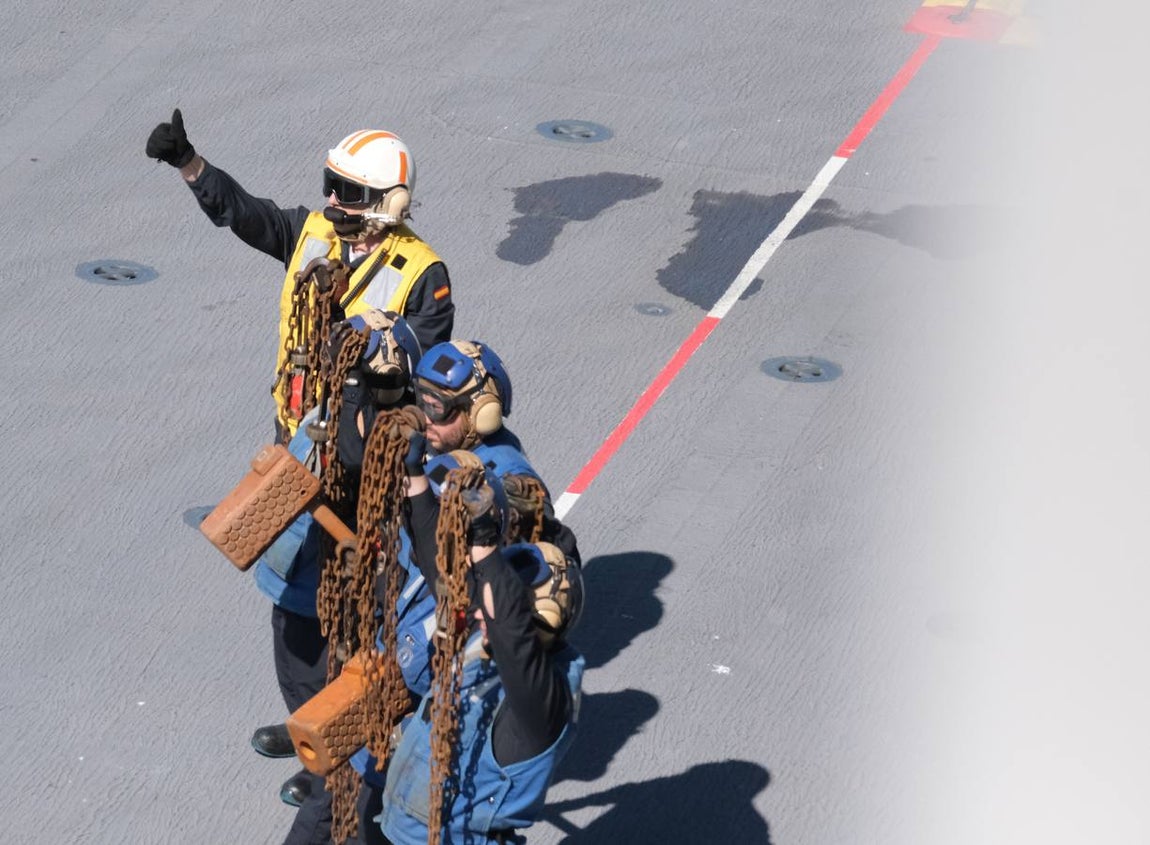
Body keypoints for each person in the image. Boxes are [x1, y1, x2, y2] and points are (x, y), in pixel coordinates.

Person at [145, 109, 454, 440]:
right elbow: (243, 211)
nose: (331, 199)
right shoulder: (311, 232)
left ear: (389, 202)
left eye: (346, 191)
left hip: (361, 446)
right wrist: (189, 164)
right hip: (293, 432)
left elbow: (421, 377)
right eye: (330, 185)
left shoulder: (422, 273)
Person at [251, 311, 422, 844]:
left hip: (349, 614)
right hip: (299, 595)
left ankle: (327, 786)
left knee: (341, 752)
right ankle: (320, 771)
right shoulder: (322, 420)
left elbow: (352, 455)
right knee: (308, 703)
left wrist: (351, 396)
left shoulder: (394, 443)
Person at [374, 474, 585, 845]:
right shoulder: (487, 639)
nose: (478, 615)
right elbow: (439, 567)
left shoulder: (543, 699)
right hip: (402, 832)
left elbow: (508, 627)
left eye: (493, 607)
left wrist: (486, 546)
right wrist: (415, 482)